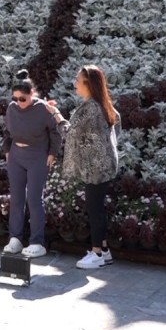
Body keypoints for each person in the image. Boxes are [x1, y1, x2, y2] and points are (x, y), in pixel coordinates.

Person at [45, 65, 120, 269]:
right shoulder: (103, 104)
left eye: (77, 80)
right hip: (105, 164)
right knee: (98, 208)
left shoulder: (89, 108)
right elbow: (117, 125)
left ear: (88, 83)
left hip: (95, 167)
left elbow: (70, 133)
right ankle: (104, 250)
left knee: (94, 209)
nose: (75, 83)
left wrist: (56, 115)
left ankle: (96, 252)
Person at [2, 69, 61, 258]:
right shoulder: (12, 108)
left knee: (34, 199)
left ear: (32, 94)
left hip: (37, 155)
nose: (19, 102)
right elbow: (7, 131)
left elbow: (55, 132)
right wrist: (7, 151)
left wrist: (52, 153)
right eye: (16, 98)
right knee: (17, 198)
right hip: (16, 155)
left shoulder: (44, 108)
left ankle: (37, 242)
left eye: (23, 98)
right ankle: (15, 238)